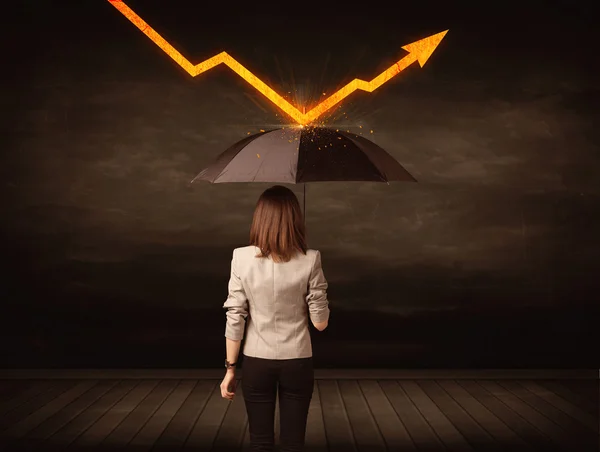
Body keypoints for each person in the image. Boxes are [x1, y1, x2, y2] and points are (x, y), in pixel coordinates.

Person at [219, 185, 330, 452]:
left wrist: (230, 369)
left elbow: (236, 316)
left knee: (260, 443)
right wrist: (315, 296)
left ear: (260, 218)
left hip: (256, 361)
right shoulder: (311, 258)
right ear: (295, 219)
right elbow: (320, 323)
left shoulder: (240, 257)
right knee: (293, 444)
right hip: (298, 361)